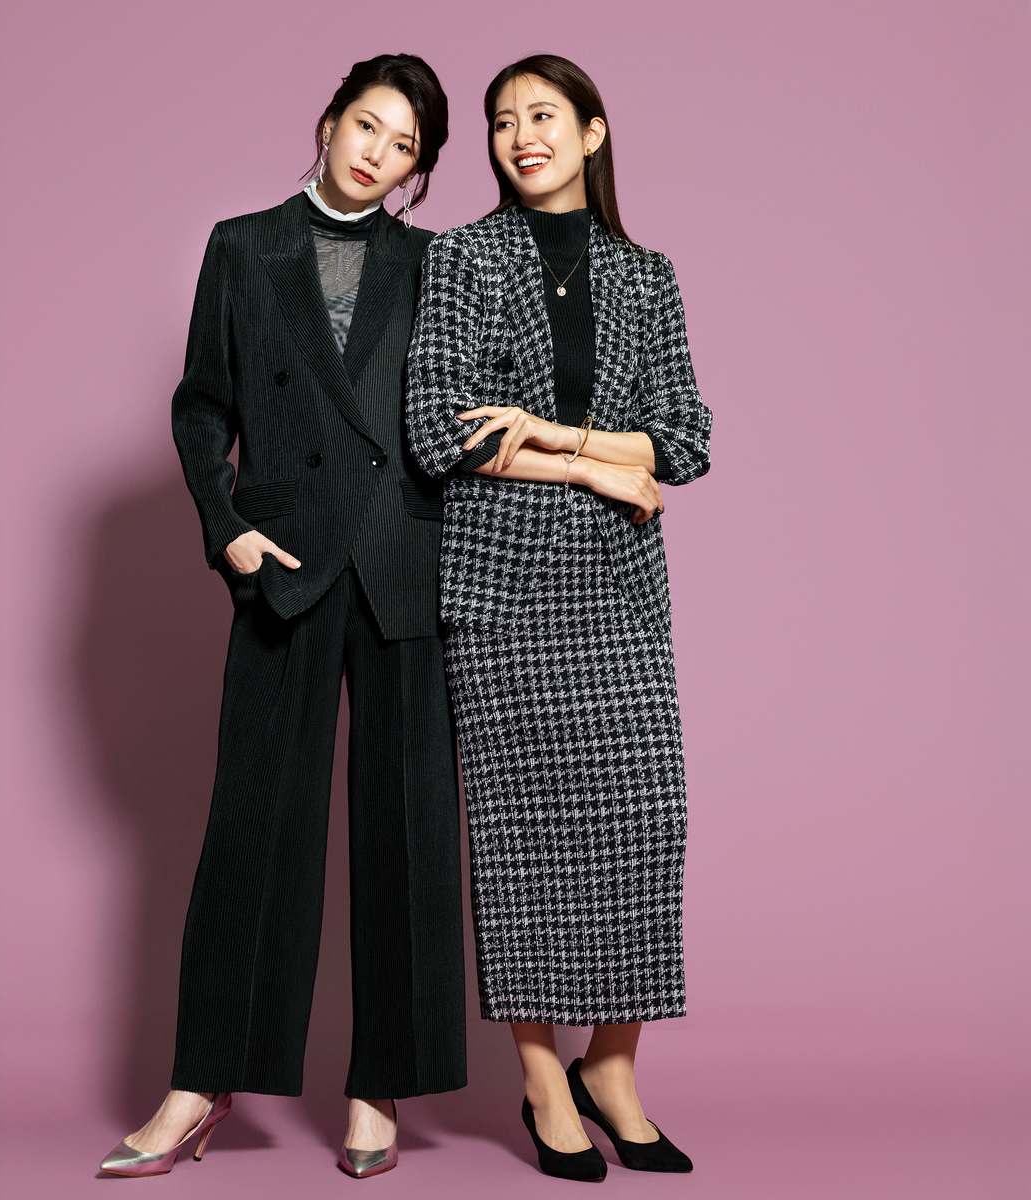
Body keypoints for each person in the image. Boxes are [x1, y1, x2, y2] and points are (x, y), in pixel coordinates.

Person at [100, 54, 464, 1181]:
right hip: (287, 559)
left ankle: (379, 1085)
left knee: (405, 832)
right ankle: (200, 1083)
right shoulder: (243, 245)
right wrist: (228, 530)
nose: (378, 155)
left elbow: (452, 410)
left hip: (400, 561)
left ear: (416, 171)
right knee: (254, 829)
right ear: (329, 119)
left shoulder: (432, 261)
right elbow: (202, 405)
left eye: (404, 147)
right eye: (368, 126)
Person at [405, 54, 711, 1182]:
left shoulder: (647, 274)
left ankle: (612, 1067)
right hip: (500, 585)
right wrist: (595, 468)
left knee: (647, 813)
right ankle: (544, 1081)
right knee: (522, 834)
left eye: (542, 115)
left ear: (592, 132)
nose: (520, 135)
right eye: (501, 121)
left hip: (618, 586)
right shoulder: (462, 257)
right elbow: (439, 429)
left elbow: (685, 440)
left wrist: (556, 435)